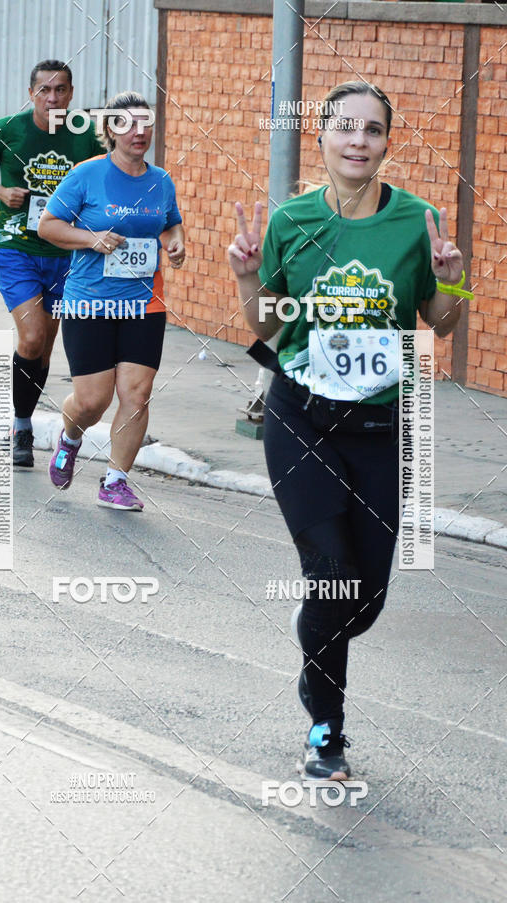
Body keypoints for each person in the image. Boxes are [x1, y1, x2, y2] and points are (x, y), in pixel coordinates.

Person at [229, 81, 470, 780]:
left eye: (372, 130)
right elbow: (268, 328)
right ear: (323, 138)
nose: (357, 140)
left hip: (382, 424)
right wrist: (247, 280)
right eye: (345, 127)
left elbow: (441, 324)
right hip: (300, 414)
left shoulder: (416, 223)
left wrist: (451, 282)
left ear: (387, 143)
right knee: (332, 577)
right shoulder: (291, 221)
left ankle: (319, 635)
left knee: (364, 597)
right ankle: (325, 728)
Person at [38, 91, 185, 510]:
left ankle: (115, 480)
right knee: (93, 401)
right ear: (110, 130)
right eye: (128, 124)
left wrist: (175, 246)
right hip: (91, 302)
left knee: (136, 394)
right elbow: (49, 225)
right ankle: (69, 437)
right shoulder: (86, 176)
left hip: (144, 302)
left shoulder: (161, 181)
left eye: (146, 123)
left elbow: (172, 225)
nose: (139, 132)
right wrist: (92, 239)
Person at [0, 60, 104, 467]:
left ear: (72, 94)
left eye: (60, 90)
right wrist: (1, 191)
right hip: (15, 247)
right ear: (32, 94)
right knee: (30, 337)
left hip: (64, 256)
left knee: (43, 349)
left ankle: (21, 419)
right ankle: (21, 427)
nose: (52, 98)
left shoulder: (85, 136)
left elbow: (103, 179)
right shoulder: (9, 129)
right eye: (45, 90)